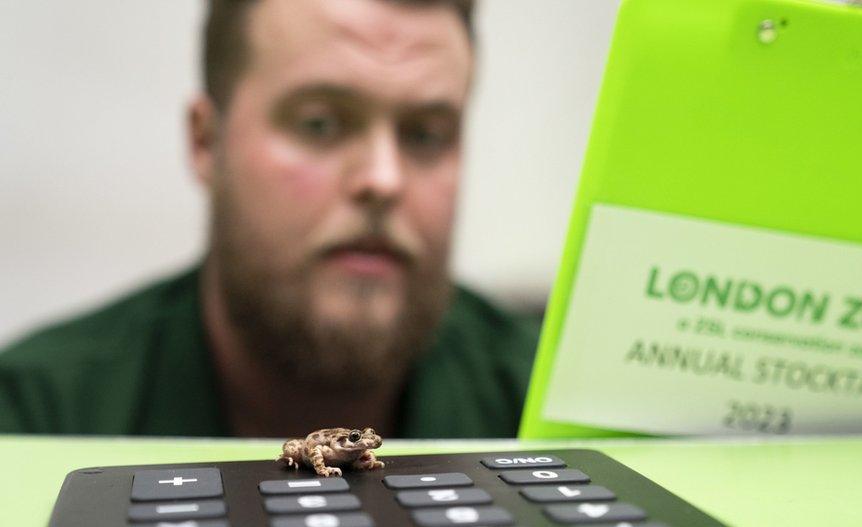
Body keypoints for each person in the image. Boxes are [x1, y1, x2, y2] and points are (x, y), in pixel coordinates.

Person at [0, 0, 539, 438]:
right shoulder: (36, 420)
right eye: (321, 123)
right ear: (207, 143)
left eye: (425, 134)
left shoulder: (552, 418)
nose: (383, 179)